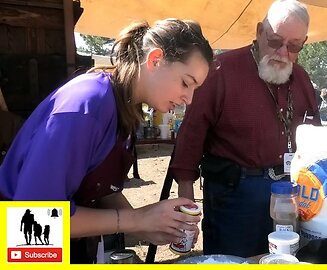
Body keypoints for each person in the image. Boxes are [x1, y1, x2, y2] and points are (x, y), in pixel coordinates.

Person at [0, 19, 214, 263]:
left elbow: (102, 190)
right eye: (186, 83)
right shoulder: (86, 106)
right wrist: (138, 219)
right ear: (155, 60)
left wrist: (150, 225)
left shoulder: (126, 110)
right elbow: (36, 219)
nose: (189, 99)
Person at [169, 0, 320, 257]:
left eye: (294, 46)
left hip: (290, 195)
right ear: (260, 31)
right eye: (275, 41)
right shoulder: (220, 70)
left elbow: (317, 139)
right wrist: (187, 204)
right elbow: (191, 136)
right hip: (234, 197)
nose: (283, 52)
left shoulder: (302, 78)